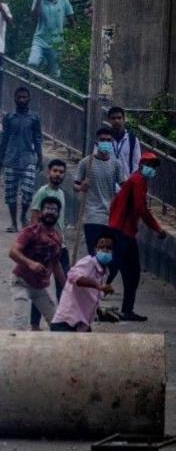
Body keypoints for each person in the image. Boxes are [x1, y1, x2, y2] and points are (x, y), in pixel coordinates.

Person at [105, 151, 168, 321]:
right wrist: (158, 229)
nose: (151, 169)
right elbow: (142, 209)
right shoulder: (138, 181)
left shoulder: (137, 180)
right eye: (149, 165)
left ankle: (125, 308)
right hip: (123, 231)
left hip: (122, 229)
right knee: (124, 270)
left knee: (122, 269)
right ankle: (124, 308)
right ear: (141, 165)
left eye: (153, 167)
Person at [9, 195, 68, 329]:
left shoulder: (57, 238)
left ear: (58, 214)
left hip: (39, 287)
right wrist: (30, 263)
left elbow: (56, 265)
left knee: (57, 325)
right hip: (21, 282)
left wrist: (67, 288)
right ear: (41, 213)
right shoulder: (30, 232)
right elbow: (13, 252)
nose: (50, 212)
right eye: (47, 209)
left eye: (54, 210)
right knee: (20, 325)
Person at [76, 127, 129, 257]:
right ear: (97, 142)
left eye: (108, 140)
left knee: (108, 256)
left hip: (110, 218)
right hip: (92, 216)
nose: (105, 142)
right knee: (94, 256)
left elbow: (124, 186)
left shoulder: (116, 164)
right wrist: (81, 187)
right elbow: (75, 185)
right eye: (102, 140)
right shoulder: (86, 163)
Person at [0, 87, 43, 232]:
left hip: (28, 158)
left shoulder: (34, 118)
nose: (22, 100)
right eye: (19, 97)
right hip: (10, 158)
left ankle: (23, 216)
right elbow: (4, 137)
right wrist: (0, 157)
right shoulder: (9, 117)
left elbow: (38, 138)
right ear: (15, 99)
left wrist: (40, 158)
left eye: (24, 97)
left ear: (29, 99)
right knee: (10, 193)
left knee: (28, 192)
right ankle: (13, 223)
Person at [51, 234, 116, 332]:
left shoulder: (105, 272)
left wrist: (105, 291)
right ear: (95, 250)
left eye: (109, 248)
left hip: (82, 325)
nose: (105, 250)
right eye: (101, 247)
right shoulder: (89, 262)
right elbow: (73, 276)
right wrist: (99, 286)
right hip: (66, 322)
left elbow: (96, 295)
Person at [28, 0, 75, 78]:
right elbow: (34, 19)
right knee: (32, 63)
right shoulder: (37, 0)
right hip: (40, 40)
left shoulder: (64, 1)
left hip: (56, 43)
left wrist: (72, 41)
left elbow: (72, 21)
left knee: (55, 75)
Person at [106, 106, 142, 175]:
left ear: (124, 119)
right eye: (113, 118)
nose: (116, 121)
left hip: (126, 183)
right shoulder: (103, 139)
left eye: (119, 118)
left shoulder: (133, 140)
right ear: (109, 120)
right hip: (107, 182)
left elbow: (136, 163)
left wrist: (132, 182)